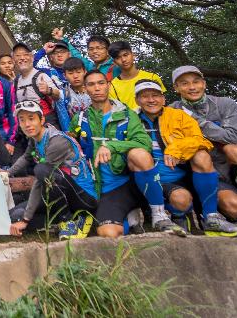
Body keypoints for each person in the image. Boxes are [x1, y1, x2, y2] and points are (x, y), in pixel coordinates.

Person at [69, 70, 184, 237]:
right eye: (91, 84)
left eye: (101, 83)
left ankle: (159, 215)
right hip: (105, 188)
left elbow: (144, 142)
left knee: (139, 154)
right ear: (85, 88)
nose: (97, 88)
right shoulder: (80, 119)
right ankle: (130, 216)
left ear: (108, 85)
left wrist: (112, 146)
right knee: (108, 232)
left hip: (130, 181)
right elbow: (71, 144)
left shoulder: (126, 114)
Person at [135, 79, 237, 236]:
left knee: (201, 155)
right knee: (181, 199)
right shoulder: (132, 119)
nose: (151, 100)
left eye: (155, 95)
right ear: (137, 100)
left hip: (186, 172)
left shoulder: (178, 115)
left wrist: (176, 149)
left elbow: (199, 139)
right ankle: (179, 217)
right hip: (157, 178)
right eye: (145, 96)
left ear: (163, 98)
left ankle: (211, 217)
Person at [169, 66, 237, 223]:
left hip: (224, 170)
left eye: (196, 82)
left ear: (204, 83)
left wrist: (195, 121)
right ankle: (200, 213)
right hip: (193, 170)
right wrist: (217, 135)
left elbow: (234, 137)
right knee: (233, 207)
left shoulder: (224, 104)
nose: (192, 87)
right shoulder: (171, 111)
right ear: (176, 88)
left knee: (234, 150)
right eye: (184, 83)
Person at [6, 101, 99, 240]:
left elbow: (40, 181)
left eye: (31, 119)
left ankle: (75, 219)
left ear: (42, 119)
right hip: (60, 194)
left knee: (42, 171)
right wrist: (7, 172)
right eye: (22, 120)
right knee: (14, 216)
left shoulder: (56, 141)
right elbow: (26, 157)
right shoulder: (34, 139)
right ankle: (57, 222)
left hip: (83, 197)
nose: (27, 124)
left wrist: (26, 219)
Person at [12, 42, 61, 128]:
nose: (22, 58)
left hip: (47, 124)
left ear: (32, 57)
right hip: (28, 127)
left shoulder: (41, 76)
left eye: (25, 54)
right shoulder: (15, 82)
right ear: (13, 60)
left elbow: (58, 96)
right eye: (18, 56)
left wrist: (48, 90)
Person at [107, 41, 165, 110]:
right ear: (114, 63)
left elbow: (162, 103)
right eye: (118, 58)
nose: (123, 60)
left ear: (133, 55)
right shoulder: (113, 86)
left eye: (125, 55)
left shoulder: (152, 77)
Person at [53, 28, 121, 80]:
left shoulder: (117, 65)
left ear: (107, 50)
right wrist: (61, 39)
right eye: (91, 49)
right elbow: (76, 55)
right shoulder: (90, 67)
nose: (94, 51)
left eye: (99, 48)